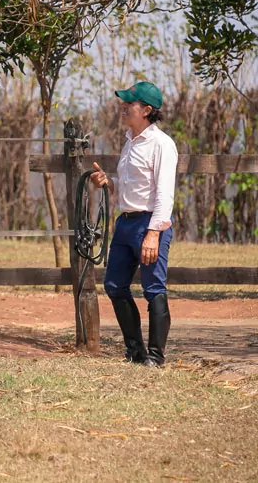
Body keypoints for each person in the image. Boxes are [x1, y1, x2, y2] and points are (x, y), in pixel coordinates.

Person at [90, 81, 178, 367]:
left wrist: (154, 233)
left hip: (148, 223)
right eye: (124, 103)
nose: (124, 107)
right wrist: (109, 182)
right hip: (126, 223)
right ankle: (135, 351)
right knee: (114, 285)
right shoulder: (130, 141)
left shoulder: (162, 145)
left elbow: (164, 193)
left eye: (130, 103)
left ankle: (155, 356)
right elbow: (132, 187)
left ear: (147, 110)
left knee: (153, 288)